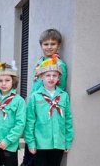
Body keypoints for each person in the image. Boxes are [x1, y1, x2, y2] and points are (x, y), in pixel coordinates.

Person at [21, 28, 68, 166]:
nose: (49, 47)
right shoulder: (40, 61)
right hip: (35, 103)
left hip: (46, 107)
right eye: (46, 44)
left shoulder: (58, 64)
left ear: (58, 46)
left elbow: (61, 86)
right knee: (31, 141)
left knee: (37, 155)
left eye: (52, 44)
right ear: (41, 45)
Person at [24, 56, 74, 166]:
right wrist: (31, 143)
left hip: (58, 143)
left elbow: (68, 120)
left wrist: (67, 141)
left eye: (54, 75)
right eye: (48, 75)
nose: (51, 78)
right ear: (41, 77)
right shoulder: (35, 97)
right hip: (40, 143)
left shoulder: (64, 96)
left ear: (59, 78)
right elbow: (30, 121)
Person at [0, 62, 26, 166]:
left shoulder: (19, 101)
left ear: (13, 81)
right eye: (0, 80)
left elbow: (20, 124)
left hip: (9, 145)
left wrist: (8, 140)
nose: (3, 83)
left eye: (7, 80)